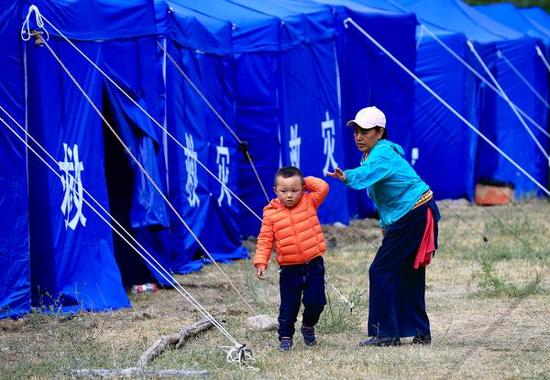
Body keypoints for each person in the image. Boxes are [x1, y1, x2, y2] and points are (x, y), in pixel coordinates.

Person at [327, 106, 440, 347]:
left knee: (381, 270)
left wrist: (347, 177)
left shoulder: (382, 153)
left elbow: (367, 174)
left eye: (365, 131)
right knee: (408, 272)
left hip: (415, 213)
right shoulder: (374, 154)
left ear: (379, 132)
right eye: (356, 131)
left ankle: (386, 333)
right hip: (413, 213)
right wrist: (386, 224)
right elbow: (384, 196)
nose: (358, 136)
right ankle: (419, 331)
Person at [253, 166, 329, 352]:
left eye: (295, 190)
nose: (289, 195)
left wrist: (304, 180)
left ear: (302, 188)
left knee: (317, 302)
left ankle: (308, 325)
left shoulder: (309, 201)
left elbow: (323, 187)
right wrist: (261, 262)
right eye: (283, 191)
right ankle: (285, 336)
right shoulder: (270, 213)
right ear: (275, 190)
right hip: (289, 269)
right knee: (289, 306)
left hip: (314, 264)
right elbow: (265, 240)